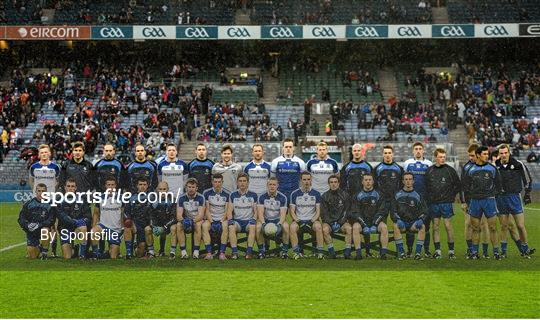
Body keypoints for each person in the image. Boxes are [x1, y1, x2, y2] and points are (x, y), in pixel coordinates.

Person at [462, 146, 503, 260]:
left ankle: (496, 252)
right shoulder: (470, 169)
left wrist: (492, 195)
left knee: (493, 227)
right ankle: (475, 252)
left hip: (489, 200)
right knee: (476, 228)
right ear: (478, 155)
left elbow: (499, 185)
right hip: (475, 201)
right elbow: (465, 187)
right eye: (484, 154)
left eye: (487, 154)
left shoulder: (492, 169)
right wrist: (466, 201)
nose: (487, 156)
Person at [495, 144, 534, 258]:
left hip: (514, 198)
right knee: (504, 226)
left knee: (520, 226)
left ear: (509, 152)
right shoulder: (496, 165)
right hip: (501, 198)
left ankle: (525, 248)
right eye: (501, 153)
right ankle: (503, 252)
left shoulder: (518, 164)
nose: (504, 155)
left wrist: (527, 194)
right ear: (499, 154)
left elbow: (527, 179)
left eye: (505, 153)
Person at [425, 148, 461, 259]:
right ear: (435, 157)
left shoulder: (450, 170)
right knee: (435, 227)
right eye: (440, 157)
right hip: (434, 203)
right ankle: (438, 251)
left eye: (444, 157)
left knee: (448, 226)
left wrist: (451, 196)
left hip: (446, 203)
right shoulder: (429, 170)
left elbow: (458, 185)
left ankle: (451, 251)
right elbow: (426, 187)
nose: (442, 159)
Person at [403, 142, 433, 257]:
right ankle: (410, 250)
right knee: (410, 225)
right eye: (416, 149)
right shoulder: (407, 163)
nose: (418, 151)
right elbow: (405, 180)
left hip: (425, 199)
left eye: (420, 149)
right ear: (413, 151)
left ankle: (426, 250)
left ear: (423, 150)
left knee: (425, 225)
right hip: (410, 199)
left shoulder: (428, 163)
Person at [461, 144, 491, 258]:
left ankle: (485, 251)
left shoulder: (487, 167)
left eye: (473, 155)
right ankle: (471, 249)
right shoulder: (467, 167)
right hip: (470, 201)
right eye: (469, 156)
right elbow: (462, 186)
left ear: (478, 155)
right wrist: (464, 201)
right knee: (469, 225)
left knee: (484, 225)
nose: (470, 158)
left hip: (485, 200)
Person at [373, 145, 403, 257]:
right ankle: (382, 251)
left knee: (397, 224)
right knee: (382, 225)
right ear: (382, 154)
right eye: (385, 153)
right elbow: (374, 186)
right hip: (382, 202)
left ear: (393, 154)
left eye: (389, 153)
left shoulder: (399, 169)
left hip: (395, 202)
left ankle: (399, 250)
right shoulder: (377, 169)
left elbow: (401, 185)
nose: (387, 155)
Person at [392, 173, 429, 260]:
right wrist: (397, 219)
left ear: (413, 181)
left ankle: (417, 254)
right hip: (402, 223)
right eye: (406, 179)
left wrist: (421, 219)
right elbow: (393, 210)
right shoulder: (397, 195)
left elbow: (425, 211)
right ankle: (401, 253)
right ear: (403, 181)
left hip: (413, 223)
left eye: (410, 179)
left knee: (423, 226)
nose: (408, 181)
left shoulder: (418, 195)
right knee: (395, 225)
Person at [352, 174, 389, 260]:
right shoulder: (357, 195)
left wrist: (375, 224)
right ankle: (358, 254)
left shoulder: (379, 194)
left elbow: (382, 211)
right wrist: (364, 224)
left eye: (369, 180)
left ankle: (383, 254)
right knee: (355, 227)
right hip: (362, 222)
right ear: (362, 182)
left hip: (375, 222)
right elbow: (355, 212)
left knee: (384, 227)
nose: (368, 182)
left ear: (373, 182)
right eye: (366, 180)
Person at [289, 171, 323, 259]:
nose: (306, 182)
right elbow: (292, 211)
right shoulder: (294, 193)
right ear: (300, 181)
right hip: (299, 220)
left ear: (311, 180)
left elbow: (318, 211)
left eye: (308, 179)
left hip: (312, 220)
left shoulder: (316, 193)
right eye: (304, 180)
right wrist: (298, 221)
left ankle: (320, 252)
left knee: (319, 227)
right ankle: (296, 252)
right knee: (292, 227)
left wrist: (312, 221)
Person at [56, 178, 92, 259]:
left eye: (72, 186)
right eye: (68, 186)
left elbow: (88, 217)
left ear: (76, 188)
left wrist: (81, 223)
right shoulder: (59, 200)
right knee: (68, 257)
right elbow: (62, 217)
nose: (70, 188)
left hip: (78, 228)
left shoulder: (82, 199)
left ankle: (82, 255)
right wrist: (75, 222)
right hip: (65, 228)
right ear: (65, 187)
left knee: (83, 228)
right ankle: (75, 249)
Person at [18, 183, 55, 259]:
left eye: (43, 191)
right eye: (39, 191)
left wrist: (38, 225)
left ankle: (44, 252)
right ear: (35, 191)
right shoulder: (28, 204)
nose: (41, 193)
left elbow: (51, 220)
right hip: (31, 231)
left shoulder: (50, 204)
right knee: (32, 256)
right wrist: (27, 225)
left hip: (43, 229)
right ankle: (39, 247)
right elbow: (21, 218)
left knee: (45, 230)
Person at [226, 173, 258, 259]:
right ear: (237, 183)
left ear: (248, 183)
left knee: (253, 227)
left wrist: (254, 219)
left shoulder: (253, 195)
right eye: (240, 181)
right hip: (237, 222)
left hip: (248, 221)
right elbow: (229, 211)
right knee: (231, 227)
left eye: (244, 181)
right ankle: (235, 252)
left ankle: (249, 252)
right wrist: (230, 220)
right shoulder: (233, 195)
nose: (242, 183)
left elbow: (256, 211)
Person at [256, 177, 289, 259]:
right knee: (258, 227)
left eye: (274, 184)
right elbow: (260, 213)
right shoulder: (261, 197)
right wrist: (263, 223)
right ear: (267, 185)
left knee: (286, 226)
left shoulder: (283, 197)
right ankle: (261, 251)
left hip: (277, 220)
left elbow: (283, 214)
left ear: (277, 186)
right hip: (266, 219)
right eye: (270, 184)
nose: (272, 186)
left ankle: (284, 251)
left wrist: (279, 224)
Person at [90, 178, 124, 259]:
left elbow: (123, 214)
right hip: (103, 226)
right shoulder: (100, 198)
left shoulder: (121, 198)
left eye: (112, 185)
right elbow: (96, 213)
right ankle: (95, 254)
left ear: (115, 186)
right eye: (108, 185)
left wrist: (122, 229)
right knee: (93, 232)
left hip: (115, 229)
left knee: (113, 257)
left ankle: (108, 252)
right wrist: (93, 227)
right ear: (105, 186)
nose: (110, 187)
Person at [320, 175, 351, 259]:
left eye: (335, 182)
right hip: (329, 223)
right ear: (328, 184)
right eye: (331, 182)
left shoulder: (345, 195)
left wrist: (340, 222)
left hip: (342, 222)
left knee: (349, 229)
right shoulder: (324, 196)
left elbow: (347, 211)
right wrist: (331, 223)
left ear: (339, 183)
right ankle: (332, 252)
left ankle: (347, 252)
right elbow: (324, 213)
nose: (333, 184)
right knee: (324, 229)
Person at [202, 173, 230, 260]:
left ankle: (222, 253)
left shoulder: (227, 193)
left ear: (222, 182)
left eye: (219, 182)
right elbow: (207, 209)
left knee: (225, 226)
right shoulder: (206, 193)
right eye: (215, 182)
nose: (217, 184)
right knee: (204, 226)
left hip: (222, 218)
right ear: (212, 182)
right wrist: (212, 221)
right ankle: (209, 253)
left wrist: (221, 221)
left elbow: (226, 210)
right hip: (211, 218)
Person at [124, 179, 153, 258]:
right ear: (137, 186)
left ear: (147, 186)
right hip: (135, 224)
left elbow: (153, 213)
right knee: (127, 226)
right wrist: (132, 223)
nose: (142, 186)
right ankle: (129, 252)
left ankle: (141, 247)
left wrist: (151, 225)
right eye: (140, 184)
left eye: (144, 184)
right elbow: (127, 213)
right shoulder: (131, 197)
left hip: (146, 225)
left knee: (140, 254)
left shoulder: (152, 197)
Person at [177, 178, 205, 259]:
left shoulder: (201, 197)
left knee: (198, 225)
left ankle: (196, 252)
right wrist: (183, 221)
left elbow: (201, 214)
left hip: (196, 220)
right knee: (179, 225)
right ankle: (183, 252)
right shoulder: (181, 198)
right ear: (186, 188)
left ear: (196, 188)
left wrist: (192, 221)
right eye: (189, 187)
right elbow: (179, 215)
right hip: (185, 220)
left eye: (193, 187)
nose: (191, 189)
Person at [149, 182, 177, 259]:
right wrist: (153, 226)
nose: (162, 191)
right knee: (147, 229)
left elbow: (174, 217)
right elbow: (150, 215)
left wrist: (164, 227)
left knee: (174, 228)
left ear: (167, 190)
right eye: (160, 189)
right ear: (157, 190)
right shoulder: (153, 200)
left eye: (164, 189)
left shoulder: (172, 200)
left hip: (168, 224)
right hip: (157, 224)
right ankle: (151, 252)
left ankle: (172, 252)